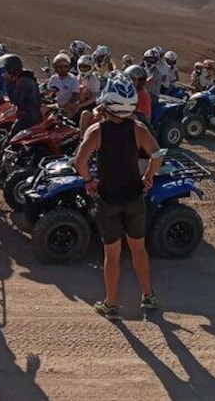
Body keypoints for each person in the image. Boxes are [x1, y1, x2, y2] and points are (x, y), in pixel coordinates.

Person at [73, 74, 163, 319]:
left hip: (108, 199)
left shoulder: (96, 131)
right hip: (134, 198)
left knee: (111, 255)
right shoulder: (138, 129)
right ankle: (148, 295)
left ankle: (111, 304)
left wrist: (90, 182)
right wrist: (149, 178)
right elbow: (157, 155)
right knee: (138, 249)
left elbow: (79, 161)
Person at [0, 54, 41, 135]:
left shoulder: (23, 82)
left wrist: (8, 83)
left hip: (29, 118)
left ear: (11, 70)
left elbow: (16, 100)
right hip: (29, 116)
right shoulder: (24, 79)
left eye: (6, 71)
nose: (4, 74)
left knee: (12, 138)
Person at [76, 55, 103, 132]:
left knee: (82, 114)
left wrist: (80, 105)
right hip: (79, 101)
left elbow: (94, 98)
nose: (83, 69)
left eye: (86, 67)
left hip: (90, 104)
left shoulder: (94, 80)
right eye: (81, 67)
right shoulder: (77, 77)